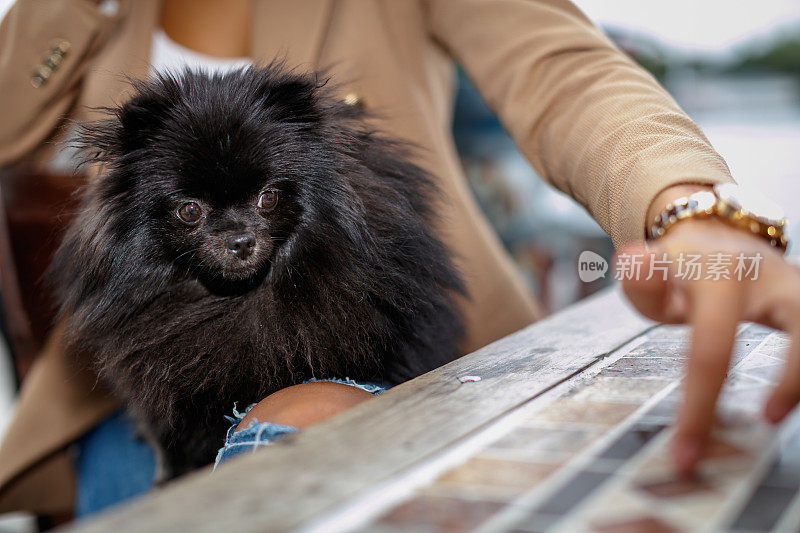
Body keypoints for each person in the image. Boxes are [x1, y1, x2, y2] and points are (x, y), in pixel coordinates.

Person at [1, 0, 799, 519]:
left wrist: (685, 206)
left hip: (403, 364)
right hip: (132, 423)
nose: (240, 231)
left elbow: (564, 73)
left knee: (305, 436)